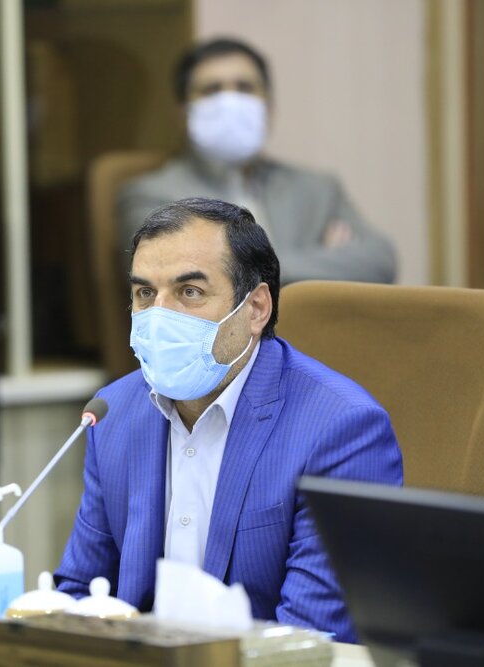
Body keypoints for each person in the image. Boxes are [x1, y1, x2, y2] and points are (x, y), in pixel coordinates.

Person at [55, 198, 403, 642]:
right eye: (145, 294)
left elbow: (307, 639)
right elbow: (82, 595)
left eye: (189, 292)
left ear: (256, 308)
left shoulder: (342, 430)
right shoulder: (114, 413)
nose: (160, 316)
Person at [118, 38, 397, 284]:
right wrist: (323, 262)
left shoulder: (318, 189)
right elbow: (174, 274)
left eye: (245, 88)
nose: (230, 102)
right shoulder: (153, 195)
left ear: (269, 108)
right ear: (184, 113)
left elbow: (380, 261)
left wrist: (235, 266)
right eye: (212, 90)